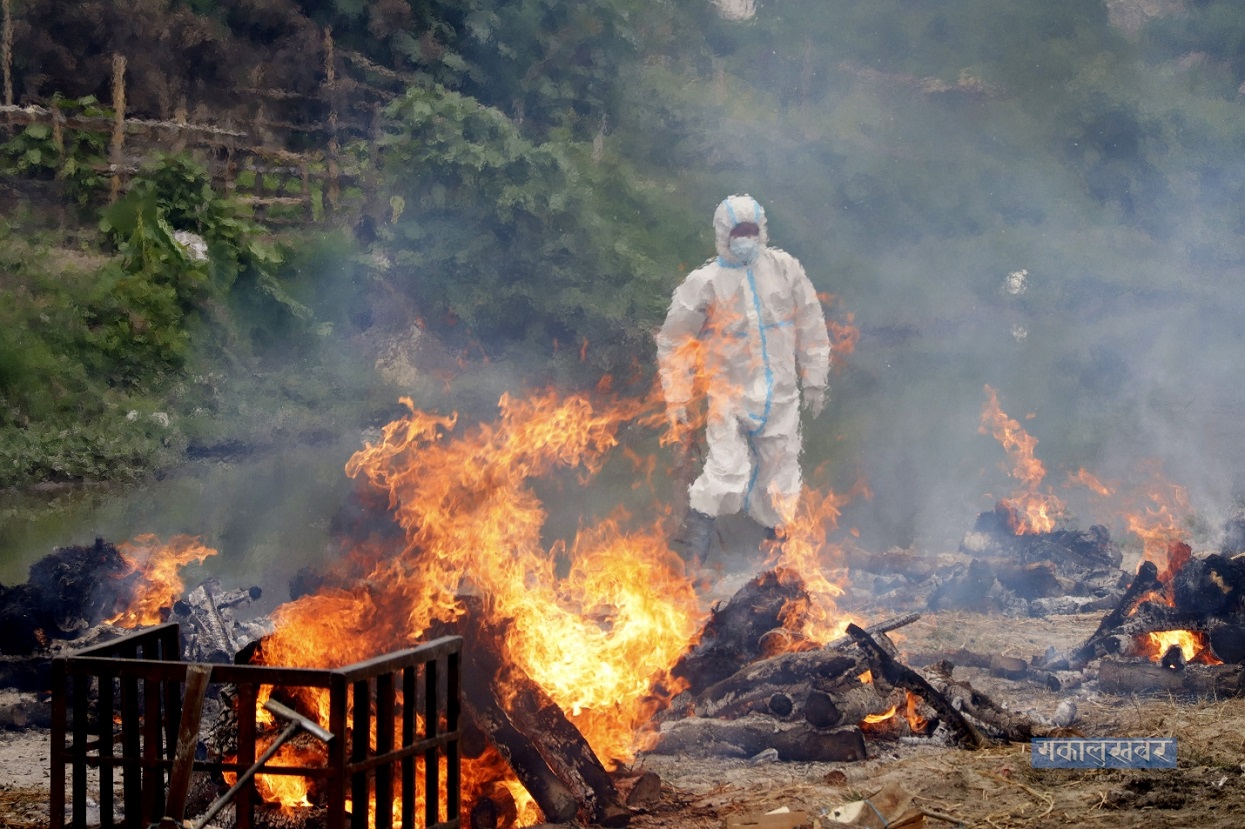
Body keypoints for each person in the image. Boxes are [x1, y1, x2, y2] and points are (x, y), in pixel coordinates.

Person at [656, 194, 831, 559]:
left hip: (781, 397)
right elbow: (674, 342)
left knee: (781, 483)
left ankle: (776, 572)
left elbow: (810, 322)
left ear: (762, 231)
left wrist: (815, 376)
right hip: (729, 398)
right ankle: (691, 565)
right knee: (725, 475)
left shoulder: (784, 269)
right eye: (739, 232)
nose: (746, 238)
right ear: (724, 234)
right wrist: (677, 396)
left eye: (752, 231)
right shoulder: (705, 282)